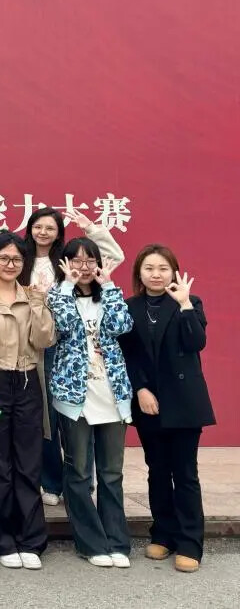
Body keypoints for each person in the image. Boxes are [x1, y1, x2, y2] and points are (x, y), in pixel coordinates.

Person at [119, 245, 214, 573]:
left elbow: (196, 342)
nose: (156, 274)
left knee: (185, 474)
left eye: (162, 268)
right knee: (157, 471)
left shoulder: (190, 303)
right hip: (149, 402)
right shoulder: (130, 307)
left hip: (184, 402)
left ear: (174, 271)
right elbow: (128, 354)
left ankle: (190, 543)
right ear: (139, 273)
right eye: (149, 268)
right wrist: (140, 388)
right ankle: (163, 533)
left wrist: (184, 303)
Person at [21, 207, 124, 507]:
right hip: (31, 342)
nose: (43, 232)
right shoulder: (21, 258)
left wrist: (92, 229)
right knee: (46, 418)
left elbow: (112, 257)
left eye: (50, 228)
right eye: (38, 226)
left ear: (59, 233)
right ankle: (52, 481)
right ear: (29, 229)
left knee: (77, 414)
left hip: (67, 343)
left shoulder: (67, 259)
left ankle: (81, 481)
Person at [0, 232, 54, 570]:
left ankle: (30, 540)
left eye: (16, 259)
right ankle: (0, 540)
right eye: (3, 258)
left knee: (28, 464)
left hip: (27, 382)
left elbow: (44, 340)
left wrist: (39, 304)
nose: (10, 264)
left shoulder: (33, 296)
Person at [47, 238, 134, 568]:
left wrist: (108, 285)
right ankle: (91, 543)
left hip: (112, 395)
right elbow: (63, 327)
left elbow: (121, 326)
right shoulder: (58, 295)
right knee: (79, 472)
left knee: (111, 473)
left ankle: (117, 541)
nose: (83, 267)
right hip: (75, 397)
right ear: (65, 263)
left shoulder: (110, 294)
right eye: (76, 260)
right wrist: (67, 286)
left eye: (89, 260)